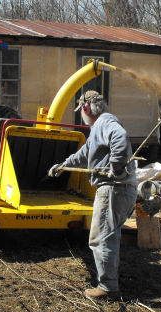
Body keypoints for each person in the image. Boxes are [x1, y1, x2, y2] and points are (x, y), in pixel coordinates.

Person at [48, 90, 137, 300]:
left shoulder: (105, 123)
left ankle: (107, 288)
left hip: (113, 189)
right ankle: (110, 282)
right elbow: (85, 153)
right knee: (109, 236)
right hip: (123, 189)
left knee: (100, 239)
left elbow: (120, 138)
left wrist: (116, 165)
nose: (82, 114)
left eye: (81, 110)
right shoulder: (98, 129)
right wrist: (63, 166)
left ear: (86, 108)